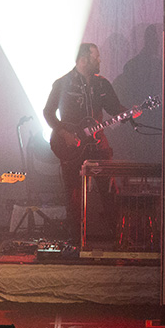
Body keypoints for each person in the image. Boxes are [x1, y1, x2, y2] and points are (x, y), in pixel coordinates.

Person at [42, 43, 125, 242]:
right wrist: (63, 132)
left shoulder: (102, 84)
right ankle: (76, 240)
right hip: (72, 147)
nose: (100, 60)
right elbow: (48, 112)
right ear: (83, 59)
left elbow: (114, 108)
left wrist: (131, 112)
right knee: (73, 193)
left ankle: (117, 237)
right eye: (96, 57)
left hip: (98, 145)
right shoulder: (62, 83)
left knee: (109, 189)